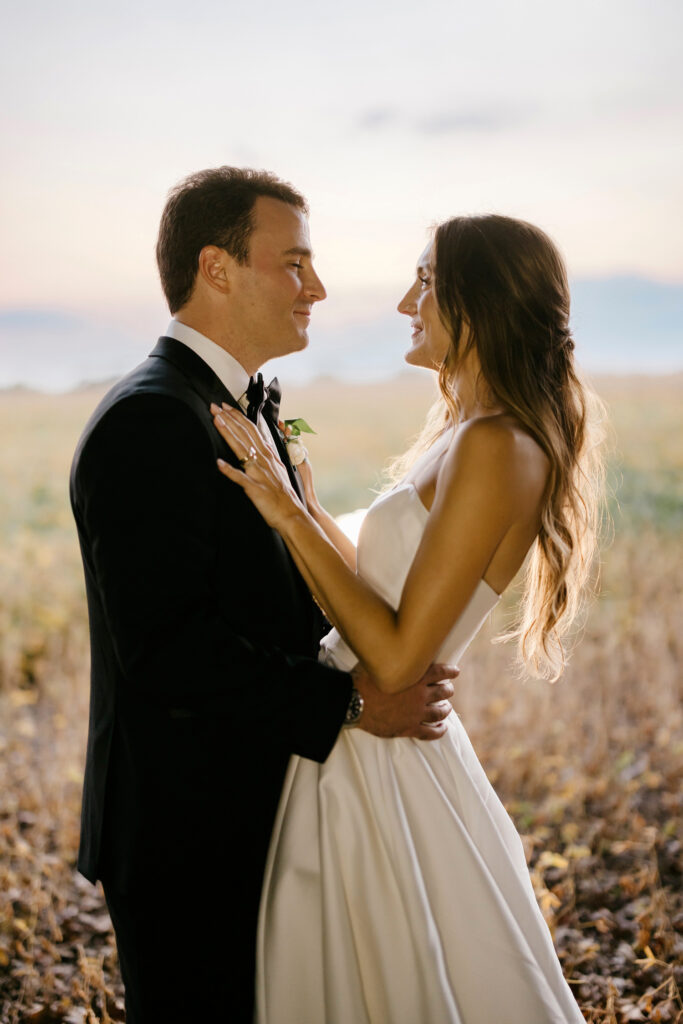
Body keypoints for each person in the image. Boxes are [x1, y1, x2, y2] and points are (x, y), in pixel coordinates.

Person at [68, 167, 457, 1023]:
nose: (316, 288)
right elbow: (167, 652)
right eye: (295, 264)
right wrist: (353, 702)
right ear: (217, 268)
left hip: (264, 809)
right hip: (189, 835)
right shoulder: (151, 422)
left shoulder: (239, 406)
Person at [213, 213, 604, 1023]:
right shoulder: (466, 432)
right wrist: (315, 511)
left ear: (480, 303)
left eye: (425, 282)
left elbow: (393, 660)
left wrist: (285, 516)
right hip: (358, 748)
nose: (404, 302)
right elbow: (384, 595)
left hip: (381, 754)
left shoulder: (497, 446)